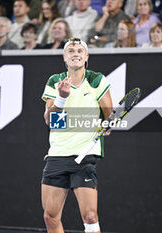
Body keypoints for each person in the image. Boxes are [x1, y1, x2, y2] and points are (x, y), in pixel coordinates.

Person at [41, 37, 113, 233]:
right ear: (65, 57)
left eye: (80, 51)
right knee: (50, 217)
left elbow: (109, 115)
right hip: (57, 155)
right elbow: (51, 120)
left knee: (90, 217)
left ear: (86, 56)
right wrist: (62, 98)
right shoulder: (55, 81)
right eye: (71, 50)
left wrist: (108, 124)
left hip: (84, 157)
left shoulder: (96, 79)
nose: (76, 54)